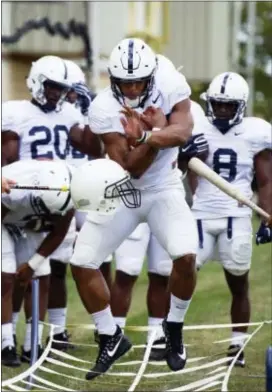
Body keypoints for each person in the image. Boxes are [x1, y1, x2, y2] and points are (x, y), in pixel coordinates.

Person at [69, 37, 198, 379]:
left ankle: (173, 327)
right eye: (125, 82)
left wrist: (146, 137)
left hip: (164, 187)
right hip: (123, 189)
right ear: (112, 80)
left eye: (139, 80)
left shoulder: (169, 80)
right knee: (81, 263)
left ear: (152, 76)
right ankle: (110, 335)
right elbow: (130, 165)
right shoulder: (103, 108)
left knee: (185, 257)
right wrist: (155, 136)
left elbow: (183, 131)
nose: (132, 87)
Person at [110, 97, 207, 361]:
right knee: (127, 270)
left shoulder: (187, 110)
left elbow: (194, 158)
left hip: (167, 198)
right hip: (133, 196)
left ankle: (158, 336)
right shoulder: (129, 108)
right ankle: (112, 336)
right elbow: (123, 156)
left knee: (161, 273)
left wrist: (190, 154)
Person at [189, 72, 272, 367]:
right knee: (182, 274)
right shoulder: (197, 125)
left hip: (236, 215)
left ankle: (236, 347)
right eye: (218, 104)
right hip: (200, 214)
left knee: (238, 282)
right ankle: (168, 336)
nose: (222, 110)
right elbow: (185, 169)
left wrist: (266, 219)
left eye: (229, 105)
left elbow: (264, 181)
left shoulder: (256, 132)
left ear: (241, 106)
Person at [1, 160, 74, 366]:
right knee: (6, 273)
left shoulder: (73, 190)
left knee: (41, 272)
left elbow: (59, 231)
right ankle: (5, 342)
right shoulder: (15, 189)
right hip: (4, 213)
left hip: (27, 219)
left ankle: (33, 344)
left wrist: (32, 264)